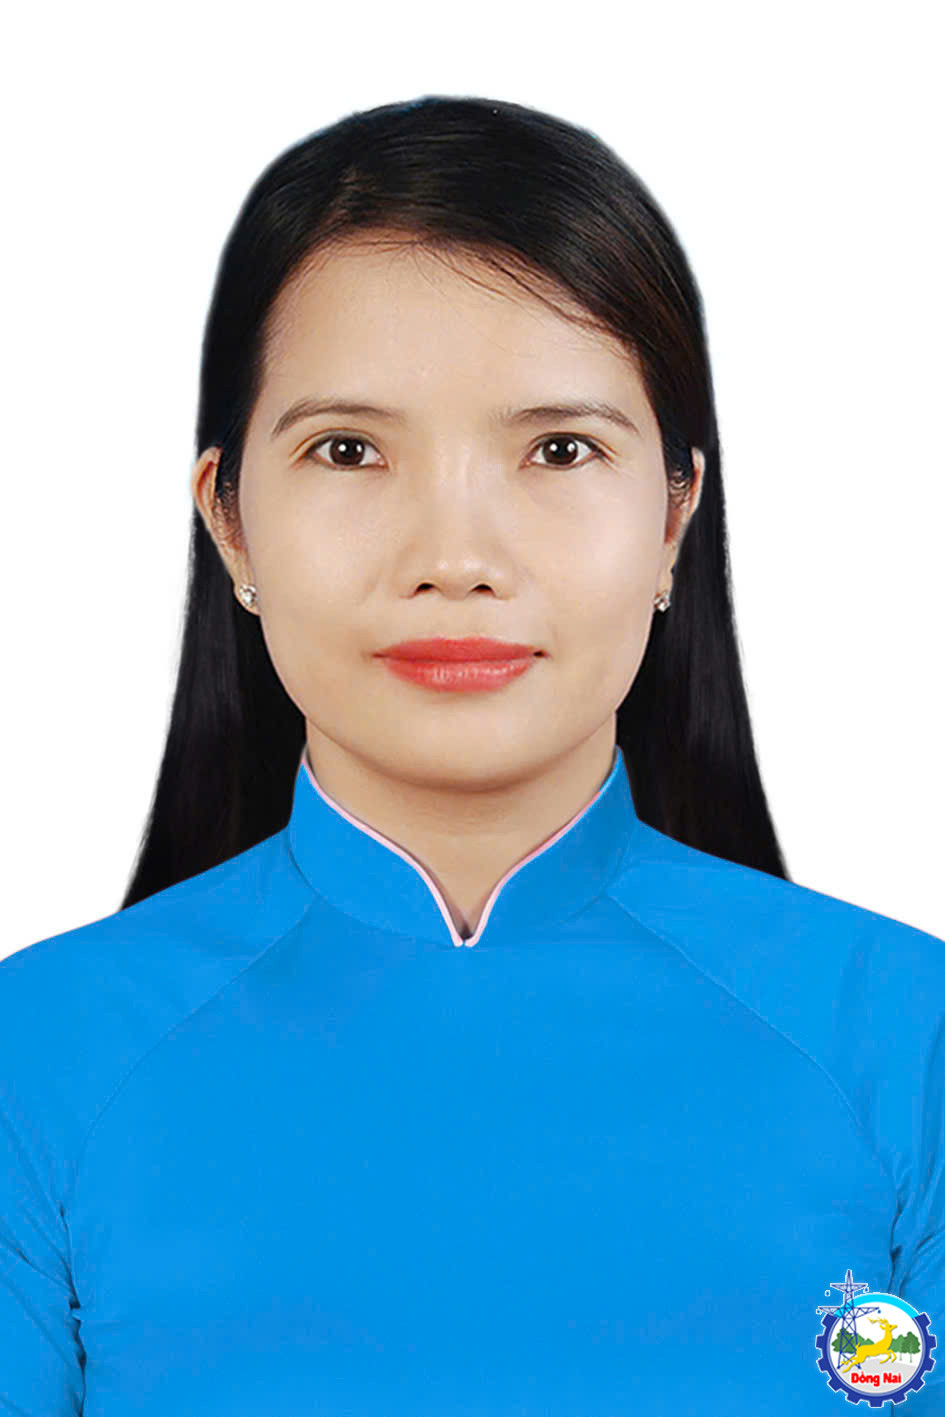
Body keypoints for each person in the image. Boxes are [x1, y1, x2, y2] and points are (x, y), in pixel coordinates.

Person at [1, 95, 940, 1417]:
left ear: (674, 515)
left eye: (559, 449)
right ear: (231, 522)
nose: (455, 558)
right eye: (348, 450)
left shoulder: (909, 1041)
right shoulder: (36, 1059)